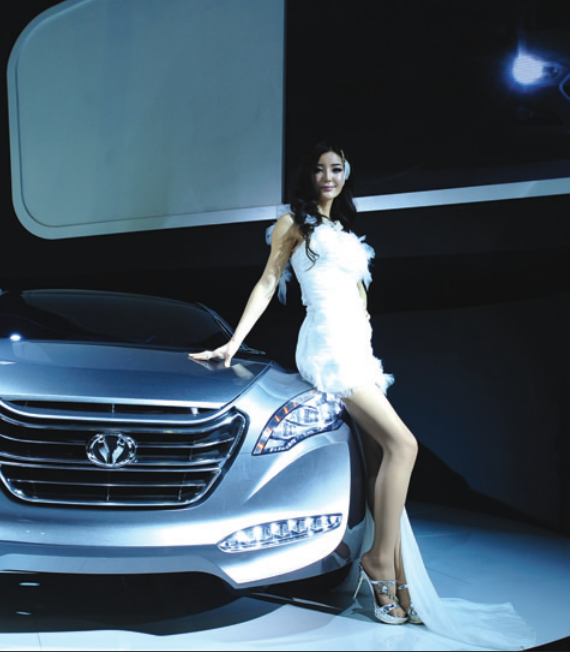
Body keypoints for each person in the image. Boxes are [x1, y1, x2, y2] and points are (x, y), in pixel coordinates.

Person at [191, 143, 535, 648]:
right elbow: (267, 282)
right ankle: (379, 561)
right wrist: (233, 343)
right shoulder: (293, 224)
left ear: (346, 174)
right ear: (307, 176)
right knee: (404, 445)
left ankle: (393, 573)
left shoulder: (345, 233)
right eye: (318, 169)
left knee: (379, 458)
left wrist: (366, 342)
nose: (327, 176)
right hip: (327, 344)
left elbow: (359, 301)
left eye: (336, 169)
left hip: (356, 345)